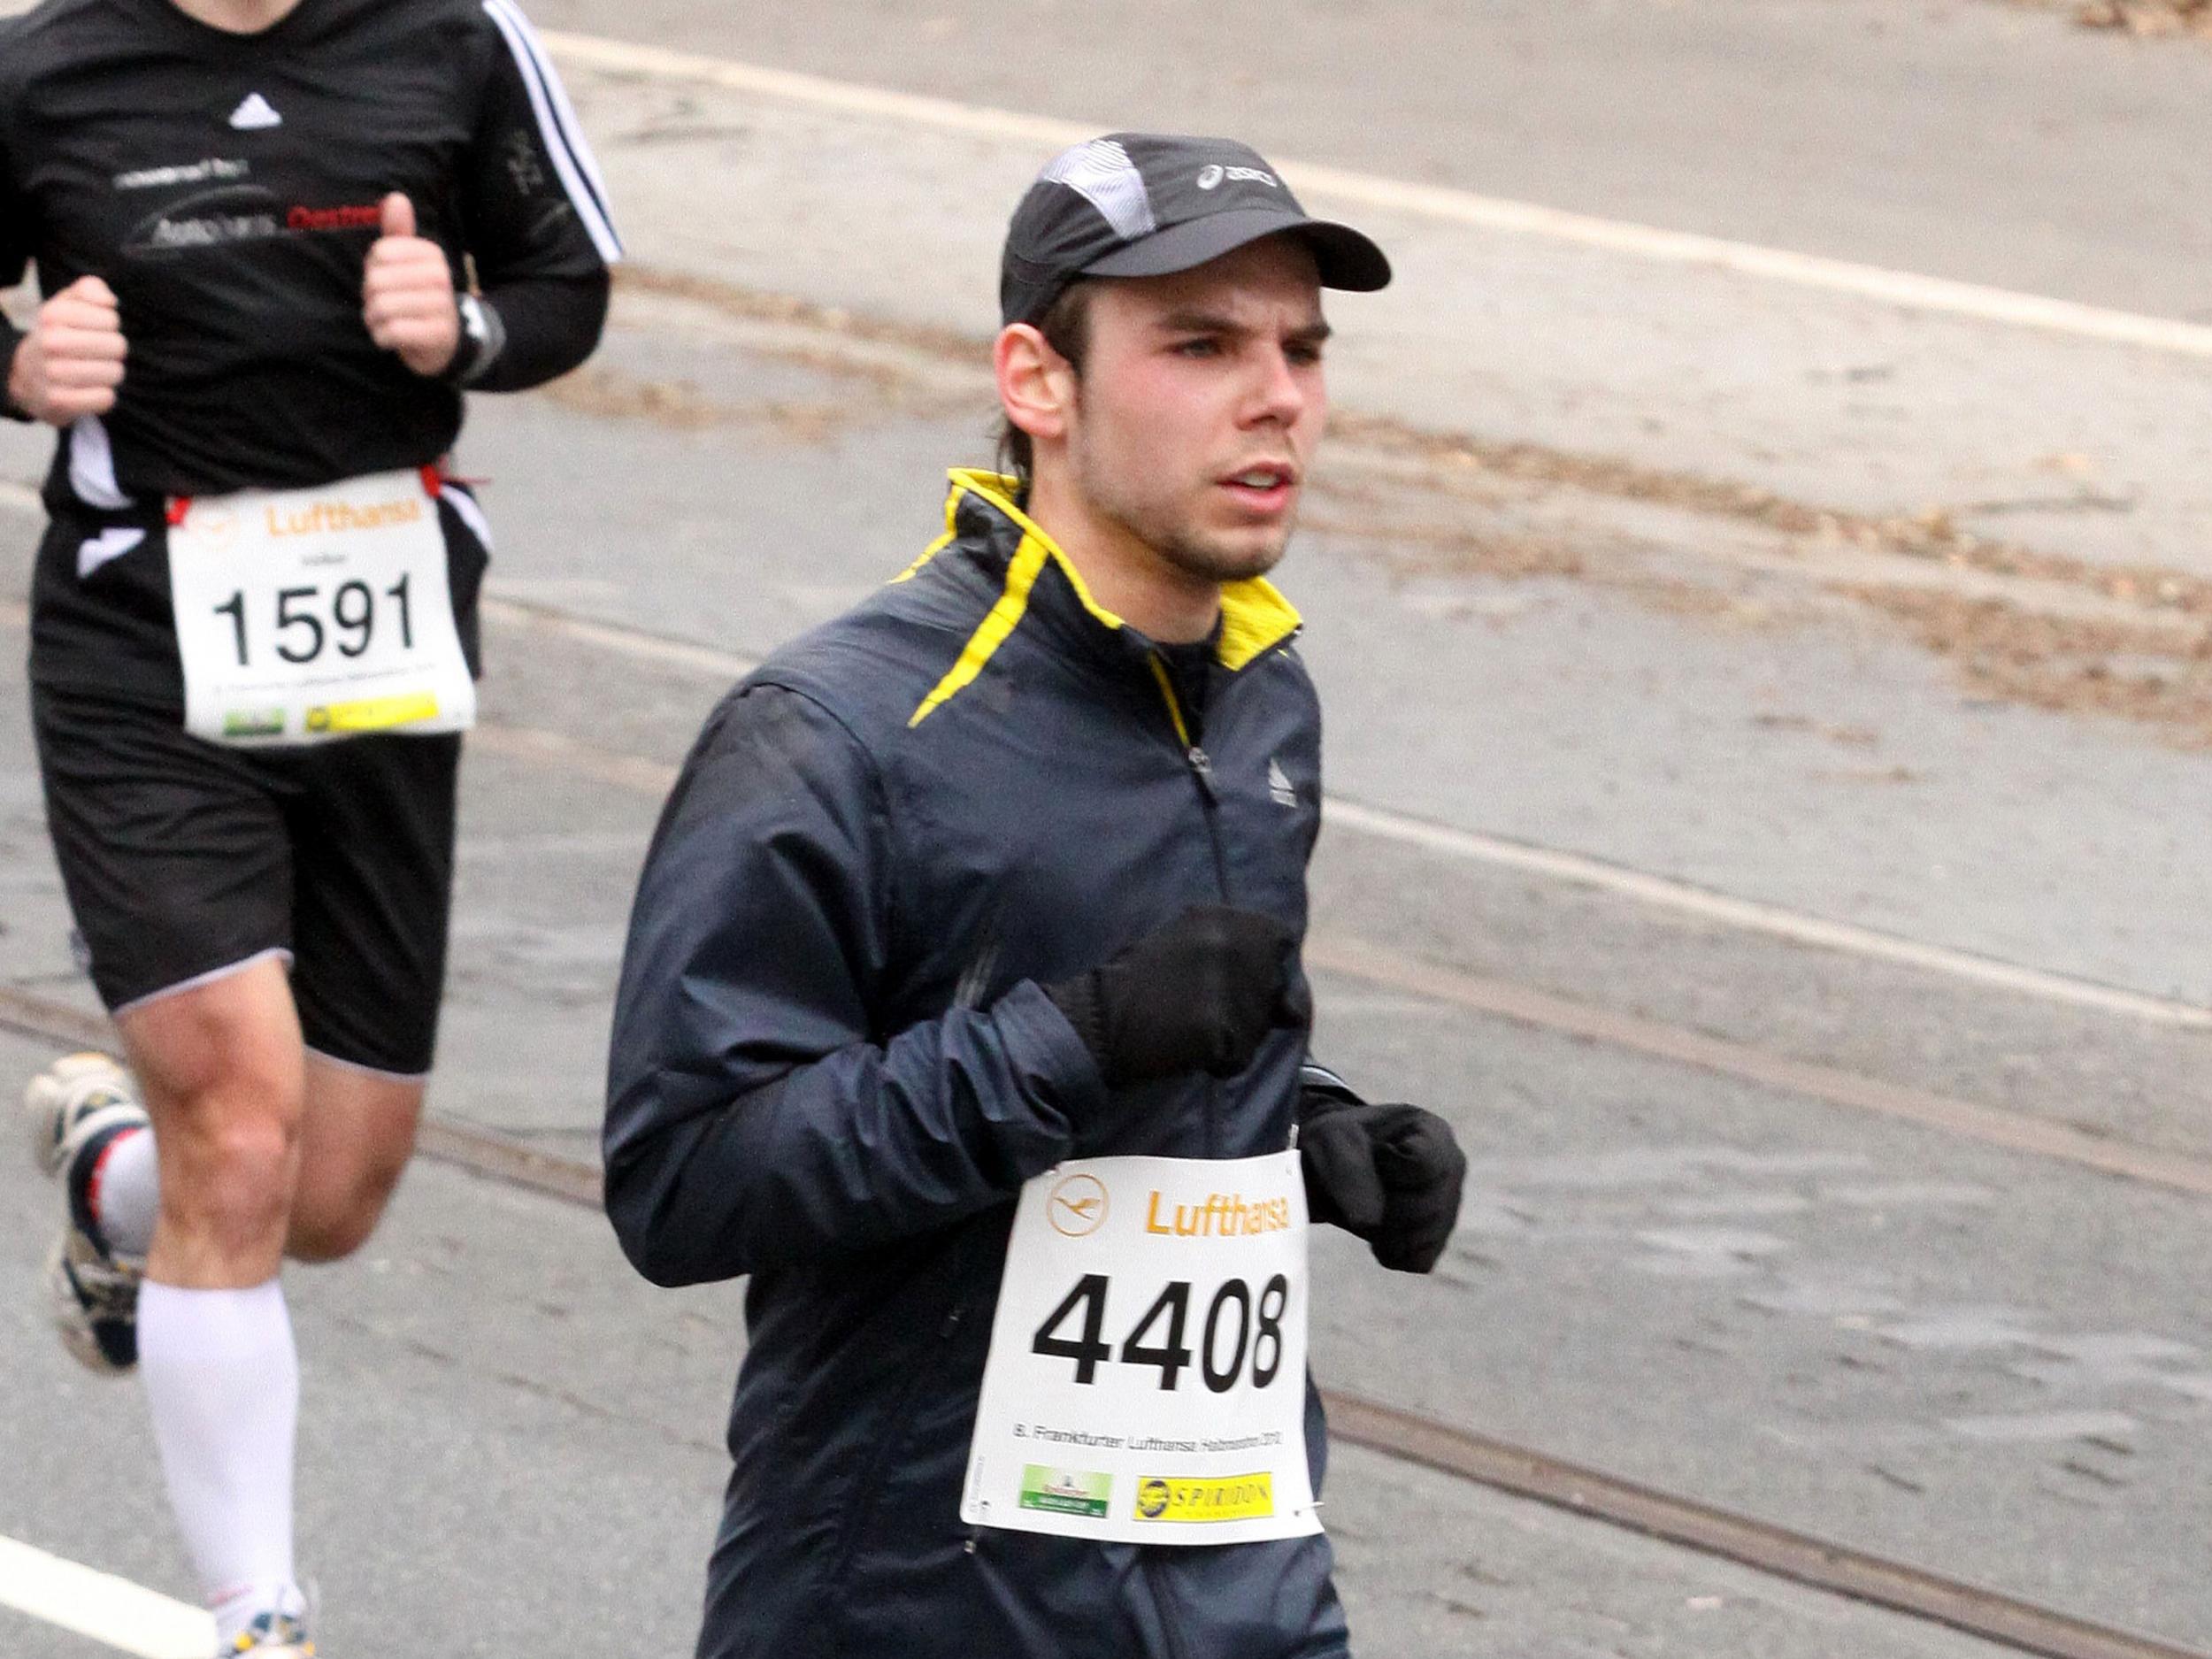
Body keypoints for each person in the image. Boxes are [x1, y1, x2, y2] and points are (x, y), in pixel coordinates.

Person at [604, 132, 1466, 1659]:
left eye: (1302, 349)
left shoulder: (1265, 699)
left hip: (1238, 1581)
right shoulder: (842, 730)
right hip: (919, 1600)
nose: (1276, 396)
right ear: (1037, 380)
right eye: (1200, 345)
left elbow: (1172, 1045)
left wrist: (1307, 1128)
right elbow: (685, 1180)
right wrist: (1064, 1045)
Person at [3, 0, 618, 1645]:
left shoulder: (459, 43)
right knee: (250, 1124)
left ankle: (117, 1182)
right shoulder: (42, 66)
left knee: (325, 1198)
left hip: (382, 647)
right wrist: (16, 368)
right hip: (143, 645)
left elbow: (569, 290)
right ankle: (260, 1616)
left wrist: (467, 332)